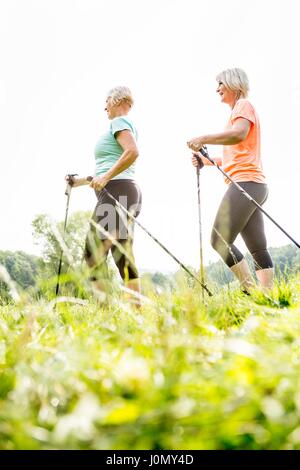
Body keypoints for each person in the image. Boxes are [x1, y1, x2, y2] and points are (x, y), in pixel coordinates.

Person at [187, 68, 274, 292]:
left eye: (220, 84)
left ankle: (250, 292)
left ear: (233, 84)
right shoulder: (238, 111)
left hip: (246, 183)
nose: (217, 89)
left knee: (218, 238)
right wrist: (205, 161)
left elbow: (238, 134)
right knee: (257, 248)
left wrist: (204, 138)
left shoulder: (243, 105)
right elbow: (233, 157)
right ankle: (268, 299)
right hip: (254, 184)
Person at [67, 86, 142, 303]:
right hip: (120, 191)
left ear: (115, 99)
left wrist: (106, 177)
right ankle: (135, 310)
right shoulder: (121, 124)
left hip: (118, 192)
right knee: (121, 252)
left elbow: (132, 152)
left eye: (106, 101)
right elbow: (106, 170)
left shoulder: (118, 122)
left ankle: (105, 311)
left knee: (93, 253)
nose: (104, 107)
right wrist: (79, 181)